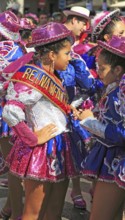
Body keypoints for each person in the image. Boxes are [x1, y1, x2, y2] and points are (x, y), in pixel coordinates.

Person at [2, 22, 81, 220]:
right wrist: (32, 138)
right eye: (67, 53)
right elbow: (11, 110)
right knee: (33, 213)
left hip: (60, 147)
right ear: (52, 55)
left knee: (53, 213)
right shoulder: (32, 76)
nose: (70, 58)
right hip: (42, 150)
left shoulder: (53, 75)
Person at [76, 35, 125, 220]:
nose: (98, 71)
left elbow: (121, 134)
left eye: (102, 68)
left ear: (118, 69)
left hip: (116, 161)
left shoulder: (119, 94)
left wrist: (90, 122)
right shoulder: (113, 88)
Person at [0, 10, 28, 220]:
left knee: (13, 166)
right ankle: (11, 208)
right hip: (16, 109)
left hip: (6, 110)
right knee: (14, 164)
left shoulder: (9, 50)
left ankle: (17, 212)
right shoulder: (20, 49)